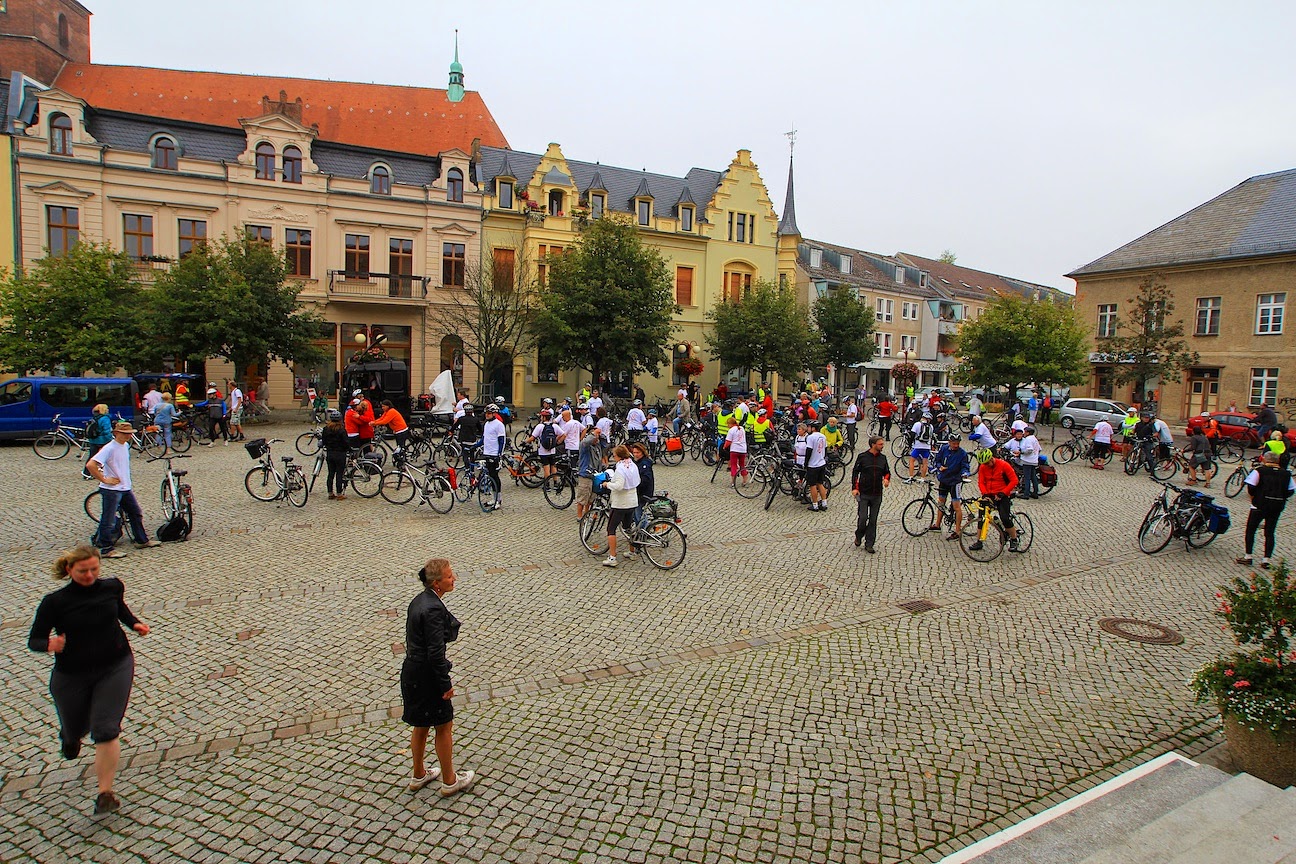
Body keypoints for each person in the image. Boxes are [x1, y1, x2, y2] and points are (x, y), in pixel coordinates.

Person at [28, 545, 151, 817]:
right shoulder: (55, 602)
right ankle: (70, 738)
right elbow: (34, 640)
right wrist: (50, 644)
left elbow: (122, 612)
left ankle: (105, 793)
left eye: (94, 569)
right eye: (83, 571)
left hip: (115, 664)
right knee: (74, 728)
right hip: (71, 674)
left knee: (106, 728)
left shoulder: (111, 587)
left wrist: (136, 625)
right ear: (70, 570)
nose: (90, 575)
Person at [401, 558, 474, 797]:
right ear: (437, 583)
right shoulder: (432, 608)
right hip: (427, 675)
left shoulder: (419, 601)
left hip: (412, 670)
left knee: (420, 726)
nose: (454, 579)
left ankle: (419, 774)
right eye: (450, 576)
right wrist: (445, 683)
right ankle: (450, 780)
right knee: (444, 725)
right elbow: (435, 652)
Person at [86, 421, 163, 558]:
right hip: (111, 489)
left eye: (129, 434)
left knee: (135, 513)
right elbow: (91, 465)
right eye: (124, 434)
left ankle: (141, 540)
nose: (128, 437)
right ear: (116, 433)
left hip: (124, 487)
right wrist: (104, 479)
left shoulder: (125, 446)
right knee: (108, 519)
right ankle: (106, 548)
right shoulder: (109, 448)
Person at [1235, 452, 1294, 569]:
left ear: (1264, 459)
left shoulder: (1260, 471)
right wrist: (1282, 497)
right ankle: (1266, 559)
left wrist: (1254, 497)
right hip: (1277, 505)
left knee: (1251, 529)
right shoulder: (1286, 474)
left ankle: (1248, 556)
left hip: (1259, 505)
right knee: (1270, 532)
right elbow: (1291, 491)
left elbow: (1251, 486)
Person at [969, 449, 1021, 553]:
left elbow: (1014, 480)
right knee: (982, 518)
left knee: (1005, 518)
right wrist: (985, 494)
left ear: (992, 459)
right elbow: (981, 482)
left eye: (988, 463)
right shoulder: (983, 467)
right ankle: (979, 541)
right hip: (989, 495)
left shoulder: (1004, 465)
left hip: (1003, 494)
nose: (987, 465)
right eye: (985, 464)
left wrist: (1003, 493)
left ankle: (1014, 539)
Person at [601, 445, 641, 567]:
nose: (613, 457)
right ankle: (632, 552)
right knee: (628, 527)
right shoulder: (632, 465)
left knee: (611, 529)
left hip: (621, 503)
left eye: (614, 455)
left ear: (618, 456)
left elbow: (618, 486)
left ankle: (612, 557)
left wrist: (607, 484)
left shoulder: (620, 469)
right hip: (632, 501)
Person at [851, 436, 890, 553]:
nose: (882, 446)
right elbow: (855, 473)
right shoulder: (862, 457)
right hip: (864, 493)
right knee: (863, 518)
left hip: (877, 494)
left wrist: (886, 479)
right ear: (873, 445)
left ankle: (869, 543)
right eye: (880, 444)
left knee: (873, 520)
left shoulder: (883, 458)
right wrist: (855, 488)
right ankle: (859, 535)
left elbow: (887, 472)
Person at [929, 435, 970, 538]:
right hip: (944, 479)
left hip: (955, 481)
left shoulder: (962, 454)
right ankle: (937, 524)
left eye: (958, 443)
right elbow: (937, 461)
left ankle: (957, 531)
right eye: (954, 443)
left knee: (956, 506)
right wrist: (939, 467)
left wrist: (965, 473)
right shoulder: (944, 449)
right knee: (941, 502)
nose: (956, 445)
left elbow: (965, 466)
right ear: (949, 442)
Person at [481, 405, 507, 510]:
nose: (486, 415)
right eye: (486, 413)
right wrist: (475, 446)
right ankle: (493, 497)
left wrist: (499, 454)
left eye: (489, 413)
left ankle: (498, 499)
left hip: (494, 454)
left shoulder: (499, 425)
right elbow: (484, 438)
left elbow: (502, 440)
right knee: (490, 477)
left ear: (494, 414)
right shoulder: (486, 424)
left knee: (495, 477)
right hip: (487, 453)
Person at [321, 409, 349, 500]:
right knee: (339, 474)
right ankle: (339, 493)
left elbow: (323, 441)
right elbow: (346, 442)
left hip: (330, 453)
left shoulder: (326, 429)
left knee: (330, 474)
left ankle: (330, 493)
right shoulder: (341, 429)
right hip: (340, 454)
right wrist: (349, 449)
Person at [83, 403, 113, 480]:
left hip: (93, 440)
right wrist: (110, 439)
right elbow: (106, 431)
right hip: (103, 440)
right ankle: (108, 473)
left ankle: (86, 473)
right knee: (108, 457)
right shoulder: (105, 418)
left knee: (92, 457)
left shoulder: (95, 417)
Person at [805, 421, 829, 512]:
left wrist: (806, 463)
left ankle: (814, 505)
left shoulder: (811, 437)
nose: (808, 429)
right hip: (821, 463)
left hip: (813, 464)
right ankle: (824, 503)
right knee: (820, 483)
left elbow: (808, 451)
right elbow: (825, 449)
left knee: (812, 485)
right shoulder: (823, 436)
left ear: (813, 428)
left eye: (809, 427)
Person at [908, 412, 935, 482]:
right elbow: (931, 437)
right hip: (927, 446)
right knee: (925, 463)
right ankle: (922, 478)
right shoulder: (931, 426)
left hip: (918, 445)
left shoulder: (917, 424)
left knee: (911, 460)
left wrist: (910, 444)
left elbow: (912, 435)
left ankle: (911, 477)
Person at [725, 415, 749, 485]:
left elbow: (728, 442)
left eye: (728, 424)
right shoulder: (741, 428)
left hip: (734, 450)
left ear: (731, 424)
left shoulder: (731, 430)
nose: (727, 426)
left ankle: (733, 482)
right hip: (743, 449)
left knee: (733, 465)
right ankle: (744, 481)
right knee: (742, 465)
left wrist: (724, 447)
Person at [1019, 426, 1041, 498]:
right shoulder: (1034, 439)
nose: (1024, 433)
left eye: (1025, 432)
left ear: (1028, 433)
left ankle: (1026, 494)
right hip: (1034, 461)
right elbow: (1039, 449)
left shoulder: (1028, 439)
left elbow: (1029, 449)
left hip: (1027, 461)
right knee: (1033, 477)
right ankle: (1035, 493)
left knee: (1027, 477)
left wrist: (1021, 452)